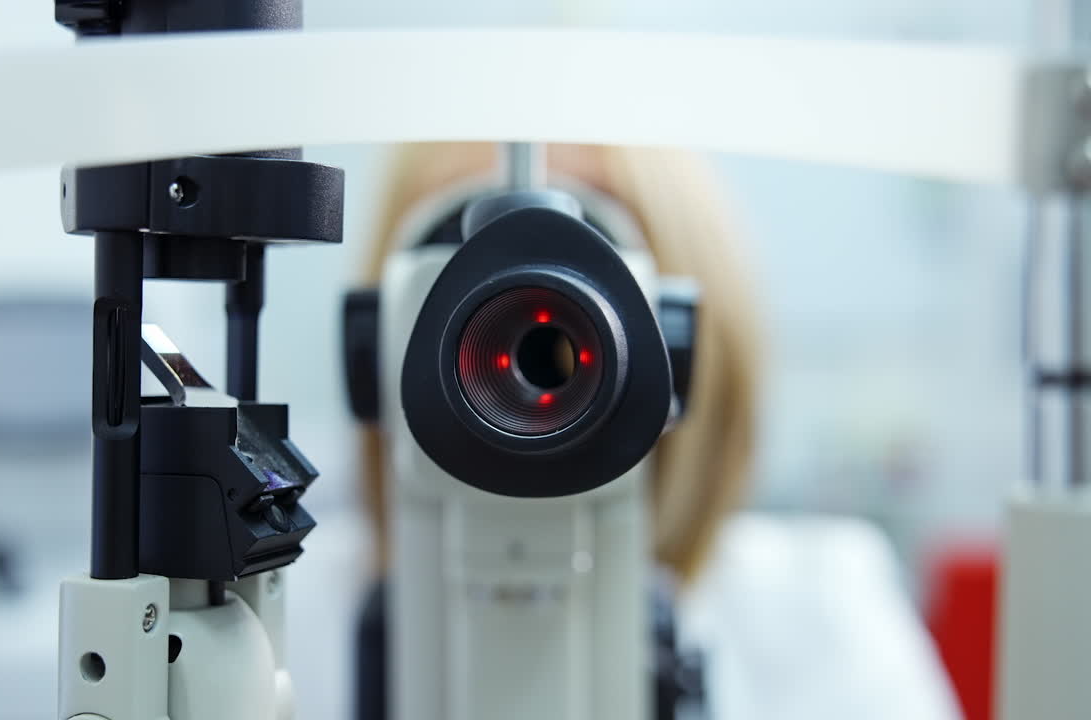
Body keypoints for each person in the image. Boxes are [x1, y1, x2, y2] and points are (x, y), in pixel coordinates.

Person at [349, 142, 962, 720]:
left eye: (590, 242)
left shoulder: (822, 614)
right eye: (460, 256)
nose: (526, 289)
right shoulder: (297, 611)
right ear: (379, 349)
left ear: (674, 347)